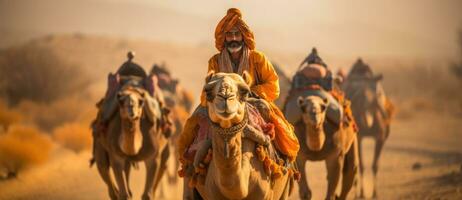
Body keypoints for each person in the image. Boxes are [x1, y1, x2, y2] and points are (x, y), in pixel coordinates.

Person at [177, 8, 299, 162]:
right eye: (229, 35)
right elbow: (207, 88)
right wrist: (210, 99)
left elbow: (273, 85)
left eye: (237, 34)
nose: (233, 38)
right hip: (220, 103)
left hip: (252, 101)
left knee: (269, 117)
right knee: (196, 119)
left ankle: (281, 162)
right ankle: (191, 168)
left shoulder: (257, 58)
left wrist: (250, 92)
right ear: (224, 38)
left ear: (243, 36)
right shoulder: (215, 61)